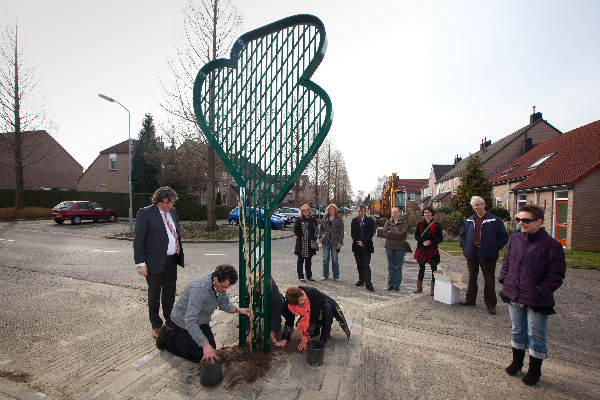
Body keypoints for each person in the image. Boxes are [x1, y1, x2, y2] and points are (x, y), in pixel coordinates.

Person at [498, 205, 565, 386]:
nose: (520, 223)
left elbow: (556, 275)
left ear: (538, 222)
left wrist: (540, 291)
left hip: (536, 299)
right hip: (514, 295)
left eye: (525, 220)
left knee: (535, 333)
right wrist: (505, 279)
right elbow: (506, 261)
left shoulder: (552, 246)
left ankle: (535, 369)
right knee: (517, 330)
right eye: (518, 219)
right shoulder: (514, 239)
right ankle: (516, 362)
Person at [155, 264, 249, 363]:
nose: (225, 290)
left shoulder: (219, 285)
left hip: (201, 321)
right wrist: (204, 344)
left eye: (227, 287)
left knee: (211, 349)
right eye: (224, 286)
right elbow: (190, 321)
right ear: (216, 279)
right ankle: (166, 336)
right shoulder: (200, 289)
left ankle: (187, 341)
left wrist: (238, 310)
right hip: (182, 322)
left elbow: (223, 304)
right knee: (199, 355)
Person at [134, 186, 185, 339]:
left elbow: (175, 233)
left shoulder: (173, 212)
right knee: (154, 294)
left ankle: (170, 320)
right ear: (158, 201)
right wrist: (140, 263)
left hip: (171, 260)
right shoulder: (146, 213)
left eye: (172, 203)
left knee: (169, 293)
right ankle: (156, 324)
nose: (170, 206)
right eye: (166, 203)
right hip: (153, 262)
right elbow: (138, 240)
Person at [459, 195, 508, 314]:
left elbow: (503, 237)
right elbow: (462, 236)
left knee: (489, 279)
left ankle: (490, 304)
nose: (476, 207)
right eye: (474, 205)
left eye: (478, 204)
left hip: (487, 254)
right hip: (472, 252)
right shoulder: (469, 220)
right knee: (472, 277)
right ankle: (470, 300)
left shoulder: (495, 220)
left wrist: (493, 247)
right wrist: (465, 247)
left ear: (484, 204)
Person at [281, 286, 351, 350]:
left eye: (303, 295)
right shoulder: (289, 305)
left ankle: (323, 339)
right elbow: (289, 320)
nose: (305, 299)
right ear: (295, 304)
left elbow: (313, 318)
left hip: (324, 307)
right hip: (314, 312)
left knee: (328, 308)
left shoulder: (311, 292)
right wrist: (285, 338)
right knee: (313, 330)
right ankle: (316, 331)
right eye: (302, 300)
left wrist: (305, 338)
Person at [413, 206, 443, 295]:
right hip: (422, 249)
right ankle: (419, 287)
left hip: (432, 249)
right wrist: (423, 242)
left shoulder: (437, 225)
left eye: (428, 212)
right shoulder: (420, 224)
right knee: (421, 269)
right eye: (425, 212)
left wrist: (431, 242)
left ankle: (433, 289)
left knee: (434, 269)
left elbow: (440, 238)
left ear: (432, 213)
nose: (426, 214)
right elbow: (416, 236)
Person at [382, 207, 409, 291]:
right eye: (393, 212)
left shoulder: (403, 223)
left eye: (396, 212)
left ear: (399, 213)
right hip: (389, 247)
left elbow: (404, 234)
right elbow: (385, 233)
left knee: (398, 266)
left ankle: (397, 285)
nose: (394, 214)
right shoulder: (388, 222)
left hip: (400, 247)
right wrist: (397, 234)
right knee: (390, 266)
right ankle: (390, 284)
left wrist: (392, 233)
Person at [351, 205, 376, 291]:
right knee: (359, 264)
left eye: (362, 211)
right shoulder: (354, 221)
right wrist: (358, 241)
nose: (360, 213)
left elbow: (371, 232)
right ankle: (361, 280)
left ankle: (368, 283)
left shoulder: (370, 221)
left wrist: (363, 242)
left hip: (367, 246)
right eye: (359, 211)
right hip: (357, 246)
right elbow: (353, 233)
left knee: (366, 265)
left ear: (365, 211)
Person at [319, 203, 344, 281]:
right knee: (325, 259)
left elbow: (341, 232)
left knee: (335, 260)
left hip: (335, 242)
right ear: (328, 210)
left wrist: (340, 242)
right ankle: (325, 275)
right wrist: (320, 237)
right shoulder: (325, 217)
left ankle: (336, 276)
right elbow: (320, 229)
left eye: (332, 209)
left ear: (335, 210)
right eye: (330, 209)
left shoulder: (339, 219)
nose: (331, 211)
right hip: (326, 241)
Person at [294, 204, 318, 283]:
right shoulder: (299, 219)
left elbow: (316, 229)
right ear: (302, 211)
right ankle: (301, 276)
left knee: (308, 261)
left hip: (310, 243)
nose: (305, 212)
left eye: (307, 210)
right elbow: (296, 231)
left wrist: (314, 237)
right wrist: (301, 236)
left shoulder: (313, 219)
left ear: (309, 211)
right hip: (301, 243)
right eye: (303, 210)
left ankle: (309, 276)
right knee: (300, 260)